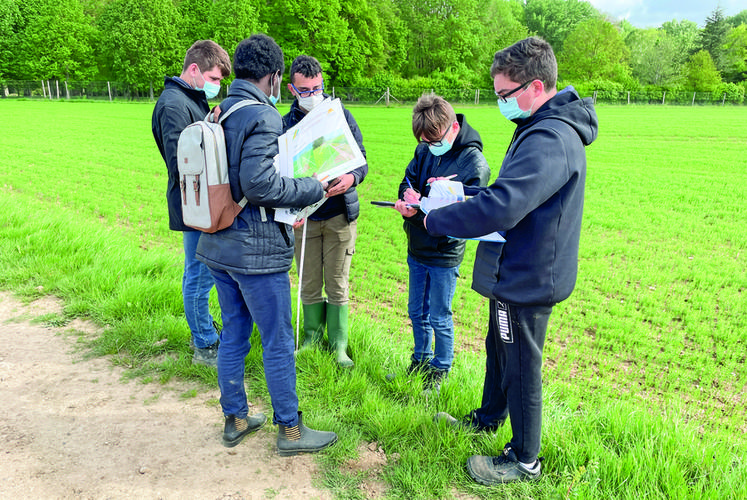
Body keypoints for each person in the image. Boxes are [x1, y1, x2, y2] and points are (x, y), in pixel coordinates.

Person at [425, 37, 598, 484]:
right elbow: (507, 194)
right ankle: (487, 417)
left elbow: (504, 206)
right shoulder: (539, 127)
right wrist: (457, 197)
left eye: (505, 95)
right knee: (499, 350)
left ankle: (525, 460)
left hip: (529, 274)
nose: (502, 103)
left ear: (535, 86)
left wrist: (437, 220)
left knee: (520, 362)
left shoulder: (550, 137)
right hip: (515, 267)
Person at [195, 34, 338, 455]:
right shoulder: (262, 115)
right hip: (255, 251)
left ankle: (235, 418)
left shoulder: (220, 109)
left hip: (218, 244)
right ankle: (290, 430)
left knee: (236, 331)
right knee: (277, 339)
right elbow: (259, 183)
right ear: (275, 76)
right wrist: (311, 186)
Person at [392, 93, 490, 392]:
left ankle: (441, 368)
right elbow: (408, 181)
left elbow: (471, 212)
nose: (430, 147)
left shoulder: (472, 161)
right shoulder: (424, 150)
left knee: (439, 314)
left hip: (444, 251)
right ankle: (420, 360)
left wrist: (439, 195)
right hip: (417, 245)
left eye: (435, 141)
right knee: (415, 311)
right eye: (425, 142)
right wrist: (408, 201)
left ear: (453, 129)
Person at [282, 55, 368, 368]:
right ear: (292, 89)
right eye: (305, 90)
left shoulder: (340, 115)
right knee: (307, 282)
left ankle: (339, 345)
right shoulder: (286, 124)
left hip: (339, 216)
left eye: (317, 88)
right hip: (304, 218)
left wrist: (352, 178)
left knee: (337, 283)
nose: (313, 95)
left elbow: (362, 160)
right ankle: (310, 338)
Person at [152, 40, 232, 368]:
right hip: (193, 204)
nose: (216, 86)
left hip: (201, 202)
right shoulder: (173, 104)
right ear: (195, 69)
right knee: (199, 274)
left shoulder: (190, 98)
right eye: (214, 79)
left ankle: (202, 329)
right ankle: (204, 344)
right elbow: (180, 162)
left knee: (203, 272)